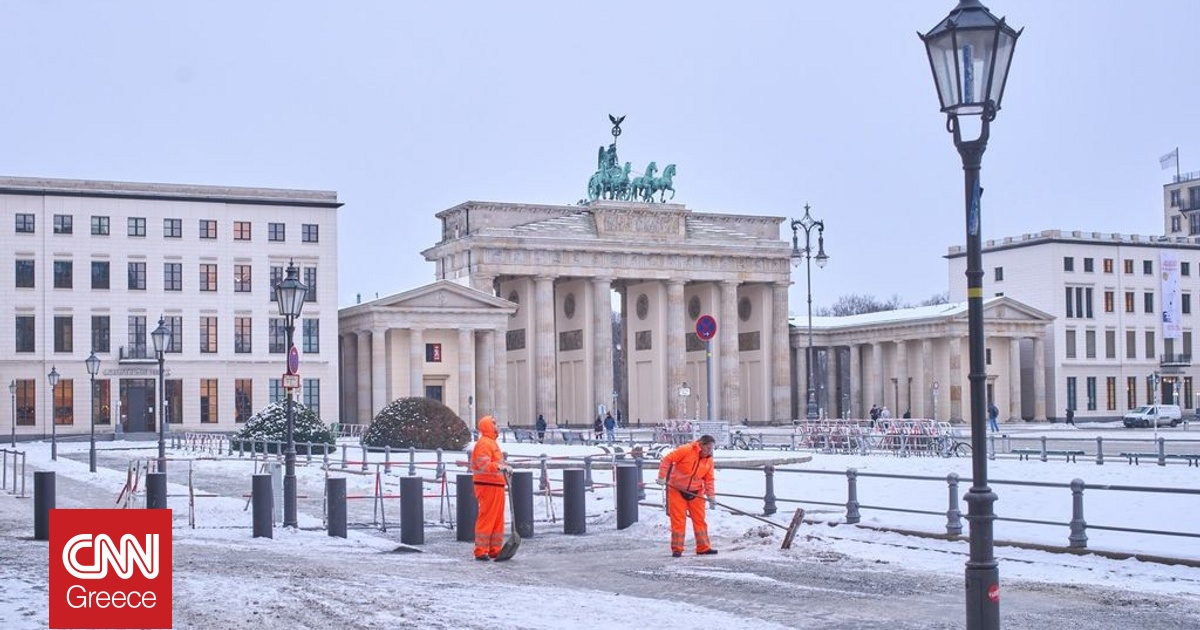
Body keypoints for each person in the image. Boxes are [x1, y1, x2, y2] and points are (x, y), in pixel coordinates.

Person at [656, 434, 718, 558]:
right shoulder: (686, 450)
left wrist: (711, 496)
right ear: (701, 444)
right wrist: (662, 477)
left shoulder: (709, 460)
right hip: (677, 490)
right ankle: (677, 549)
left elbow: (709, 479)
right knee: (678, 520)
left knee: (699, 520)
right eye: (708, 448)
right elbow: (667, 460)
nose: (709, 452)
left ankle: (703, 547)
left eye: (712, 449)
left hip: (696, 492)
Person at [470, 415, 510, 561]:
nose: (497, 426)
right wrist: (499, 467)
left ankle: (495, 549)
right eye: (494, 423)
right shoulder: (485, 443)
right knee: (487, 518)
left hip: (496, 485)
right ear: (488, 426)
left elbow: (493, 463)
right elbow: (483, 464)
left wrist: (504, 469)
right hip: (487, 485)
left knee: (497, 519)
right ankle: (481, 550)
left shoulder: (491, 443)